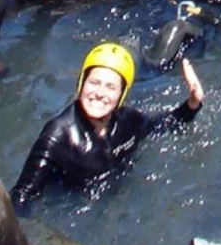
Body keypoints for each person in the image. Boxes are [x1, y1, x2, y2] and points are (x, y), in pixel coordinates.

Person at [10, 42, 204, 212]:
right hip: (71, 202)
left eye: (111, 87)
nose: (100, 93)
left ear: (122, 95)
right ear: (81, 84)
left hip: (118, 200)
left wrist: (192, 103)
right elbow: (22, 195)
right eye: (94, 83)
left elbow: (164, 126)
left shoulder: (129, 121)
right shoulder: (57, 135)